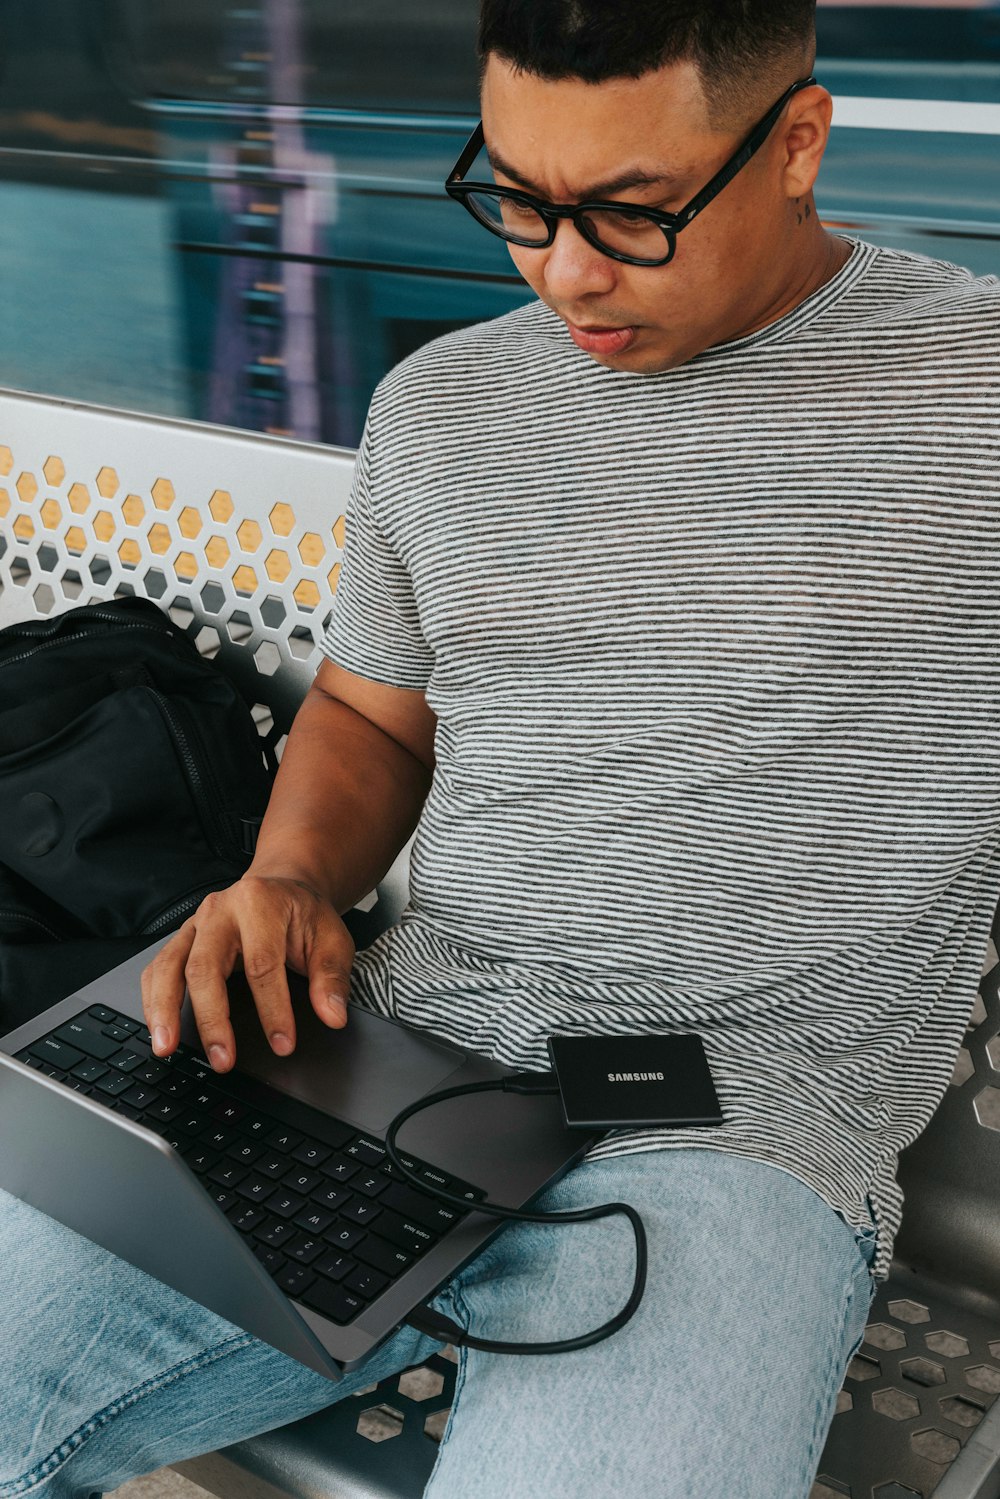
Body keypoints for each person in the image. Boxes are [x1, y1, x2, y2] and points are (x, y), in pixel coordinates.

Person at [3, 1, 998, 1495]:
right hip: (394, 1055)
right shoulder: (449, 404)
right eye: (520, 201)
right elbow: (367, 712)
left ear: (799, 143)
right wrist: (287, 881)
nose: (564, 271)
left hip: (740, 1133)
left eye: (632, 213)